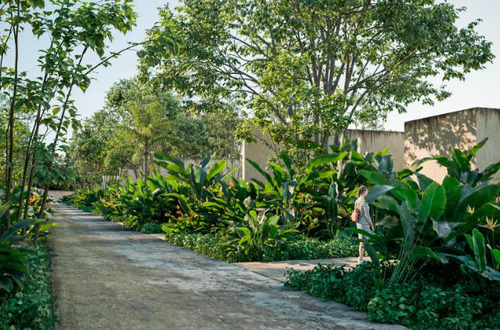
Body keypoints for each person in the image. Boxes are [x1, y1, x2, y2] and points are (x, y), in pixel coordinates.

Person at [354, 185, 374, 264]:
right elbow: (367, 215)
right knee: (367, 240)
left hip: (358, 223)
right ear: (364, 191)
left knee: (362, 241)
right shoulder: (363, 201)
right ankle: (365, 258)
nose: (367, 193)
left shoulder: (357, 201)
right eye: (367, 191)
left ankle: (360, 258)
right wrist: (371, 225)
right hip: (364, 223)